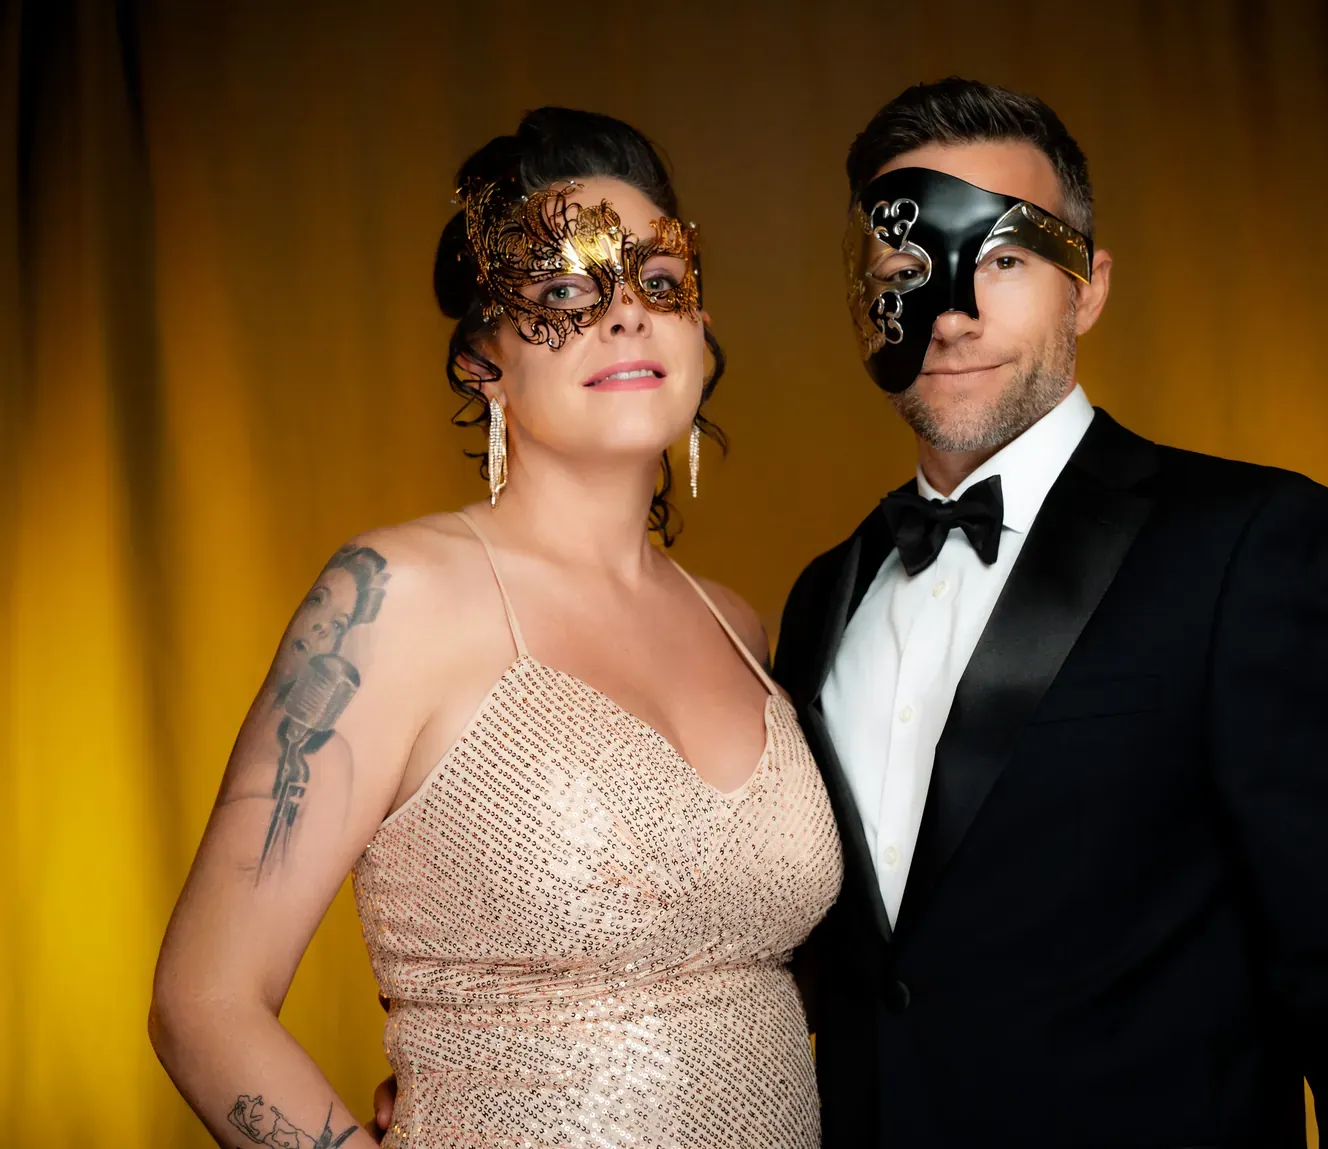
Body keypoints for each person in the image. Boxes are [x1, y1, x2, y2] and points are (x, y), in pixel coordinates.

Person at [769, 79, 1328, 1147]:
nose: (954, 312)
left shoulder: (1252, 548)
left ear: (1089, 286)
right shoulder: (824, 595)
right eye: (905, 272)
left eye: (1005, 261)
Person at [149, 107, 842, 1149]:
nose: (625, 316)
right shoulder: (394, 599)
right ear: (483, 359)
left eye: (659, 282)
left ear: (699, 328)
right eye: (563, 293)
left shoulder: (738, 625)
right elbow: (204, 1002)